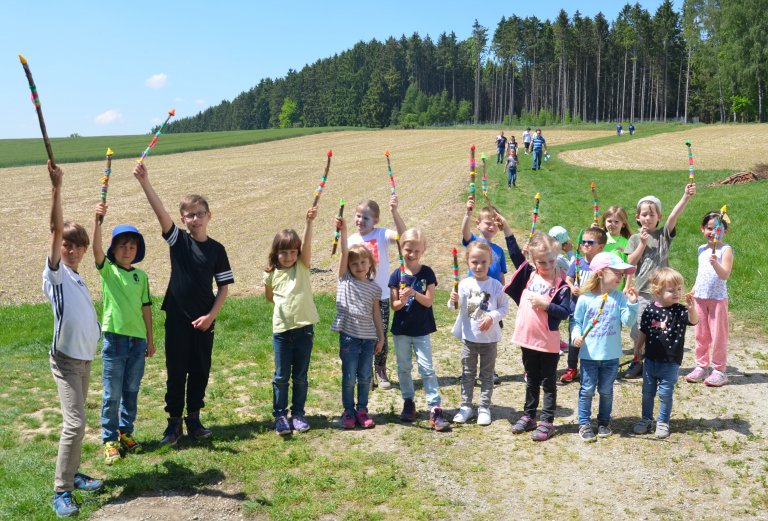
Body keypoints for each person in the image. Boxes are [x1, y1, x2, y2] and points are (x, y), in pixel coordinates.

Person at [133, 162, 234, 445]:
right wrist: (145, 183)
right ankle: (174, 423)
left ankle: (194, 419)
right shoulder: (178, 241)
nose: (195, 219)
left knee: (200, 370)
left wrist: (211, 317)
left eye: (200, 214)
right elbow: (160, 213)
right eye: (189, 215)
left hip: (204, 319)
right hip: (177, 317)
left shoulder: (217, 250)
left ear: (209, 216)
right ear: (183, 218)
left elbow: (224, 287)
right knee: (176, 371)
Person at [43, 161, 104, 517]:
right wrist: (57, 188)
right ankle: (61, 491)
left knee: (80, 421)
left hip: (84, 358)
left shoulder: (77, 276)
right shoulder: (55, 275)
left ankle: (73, 472)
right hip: (66, 359)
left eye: (78, 246)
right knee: (75, 423)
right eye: (68, 244)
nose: (74, 250)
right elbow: (54, 229)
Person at [92, 203, 154, 463]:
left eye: (132, 247)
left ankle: (126, 433)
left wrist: (150, 340)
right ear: (113, 250)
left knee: (131, 389)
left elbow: (146, 308)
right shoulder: (109, 271)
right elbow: (95, 251)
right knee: (112, 393)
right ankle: (109, 440)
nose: (127, 250)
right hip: (115, 339)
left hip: (137, 341)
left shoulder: (141, 276)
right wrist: (98, 222)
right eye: (122, 246)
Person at [623, 184, 696, 379]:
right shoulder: (635, 238)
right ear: (638, 217)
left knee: (659, 328)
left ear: (659, 218)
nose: (648, 218)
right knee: (639, 329)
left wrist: (685, 197)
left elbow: (674, 217)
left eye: (652, 215)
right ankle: (637, 360)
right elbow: (630, 262)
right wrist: (642, 243)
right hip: (641, 291)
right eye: (644, 214)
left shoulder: (664, 235)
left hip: (662, 292)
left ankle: (652, 362)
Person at [505, 232, 571, 441]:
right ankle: (529, 416)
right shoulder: (529, 275)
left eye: (551, 261)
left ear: (557, 257)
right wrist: (507, 231)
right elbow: (515, 255)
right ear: (534, 261)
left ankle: (547, 422)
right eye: (541, 262)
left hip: (548, 342)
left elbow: (564, 312)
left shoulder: (561, 286)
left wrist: (545, 305)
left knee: (548, 382)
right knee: (531, 379)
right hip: (527, 339)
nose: (546, 265)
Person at [263, 207, 319, 435]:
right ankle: (280, 416)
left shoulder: (302, 268)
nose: (289, 257)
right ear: (276, 253)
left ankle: (298, 414)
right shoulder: (271, 274)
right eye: (284, 252)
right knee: (281, 376)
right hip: (282, 333)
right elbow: (270, 297)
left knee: (300, 376)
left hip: (304, 330)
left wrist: (308, 222)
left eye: (293, 252)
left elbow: (306, 247)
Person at [572, 252, 639, 441]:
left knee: (606, 390)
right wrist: (576, 336)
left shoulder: (619, 298)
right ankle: (584, 423)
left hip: (611, 356)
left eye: (622, 274)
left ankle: (604, 421)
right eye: (616, 272)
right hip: (589, 355)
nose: (620, 277)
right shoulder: (585, 299)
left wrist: (633, 304)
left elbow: (628, 321)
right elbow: (576, 322)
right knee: (587, 389)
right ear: (601, 273)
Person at [388, 229, 450, 431]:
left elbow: (429, 301)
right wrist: (402, 299)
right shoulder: (396, 275)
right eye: (408, 249)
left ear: (423, 250)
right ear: (402, 249)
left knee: (426, 367)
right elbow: (394, 305)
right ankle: (408, 402)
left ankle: (435, 407)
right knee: (404, 367)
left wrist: (414, 293)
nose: (411, 254)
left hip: (421, 330)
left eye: (416, 250)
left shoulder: (427, 273)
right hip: (402, 330)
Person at [348, 196, 407, 390]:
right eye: (358, 216)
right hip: (360, 297)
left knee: (380, 332)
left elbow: (403, 235)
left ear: (376, 221)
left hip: (381, 295)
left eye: (365, 218)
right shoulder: (352, 240)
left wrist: (394, 212)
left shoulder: (382, 234)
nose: (360, 221)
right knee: (362, 334)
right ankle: (363, 371)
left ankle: (380, 369)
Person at [449, 241, 509, 426]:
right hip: (469, 339)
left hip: (489, 340)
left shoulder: (496, 285)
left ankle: (484, 407)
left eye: (483, 262)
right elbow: (453, 307)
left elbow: (504, 307)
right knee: (467, 373)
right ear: (468, 262)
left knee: (487, 374)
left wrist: (492, 316)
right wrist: (453, 300)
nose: (479, 266)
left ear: (489, 262)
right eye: (474, 262)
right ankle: (466, 406)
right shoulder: (464, 284)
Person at [633, 268, 698, 439]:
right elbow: (644, 330)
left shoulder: (679, 310)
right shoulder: (649, 310)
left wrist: (691, 308)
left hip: (670, 361)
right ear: (657, 291)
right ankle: (646, 419)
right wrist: (638, 347)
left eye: (678, 289)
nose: (677, 293)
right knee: (647, 392)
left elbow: (694, 321)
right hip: (651, 360)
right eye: (671, 290)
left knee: (665, 393)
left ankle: (663, 421)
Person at [333, 217, 385, 429]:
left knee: (364, 376)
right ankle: (348, 411)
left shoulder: (374, 289)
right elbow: (345, 252)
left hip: (368, 338)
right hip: (349, 337)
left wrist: (381, 337)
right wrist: (344, 231)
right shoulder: (345, 279)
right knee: (349, 376)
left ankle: (362, 410)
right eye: (354, 263)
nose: (359, 266)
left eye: (363, 262)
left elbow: (376, 315)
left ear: (370, 264)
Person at [686, 211, 734, 387]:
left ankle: (719, 370)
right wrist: (693, 290)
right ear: (702, 229)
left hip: (717, 299)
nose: (713, 232)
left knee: (718, 335)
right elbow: (701, 275)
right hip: (700, 298)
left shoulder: (725, 250)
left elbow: (724, 275)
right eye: (709, 228)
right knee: (701, 334)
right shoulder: (701, 249)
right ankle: (701, 366)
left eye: (718, 229)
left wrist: (716, 263)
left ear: (725, 232)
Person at [561, 227, 607, 383]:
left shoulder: (603, 266)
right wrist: (572, 286)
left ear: (600, 247)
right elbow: (568, 279)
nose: (585, 245)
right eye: (583, 242)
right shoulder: (578, 262)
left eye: (590, 242)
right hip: (576, 309)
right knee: (575, 338)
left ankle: (592, 368)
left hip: (595, 310)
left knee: (594, 339)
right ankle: (571, 368)